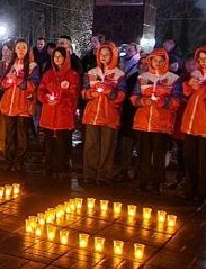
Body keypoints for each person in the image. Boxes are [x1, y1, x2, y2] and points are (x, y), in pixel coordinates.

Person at [130, 47, 183, 192]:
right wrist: (143, 102)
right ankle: (142, 181)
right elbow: (134, 97)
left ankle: (157, 182)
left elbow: (177, 101)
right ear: (150, 61)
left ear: (165, 61)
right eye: (155, 60)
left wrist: (163, 103)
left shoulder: (173, 79)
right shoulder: (142, 77)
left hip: (162, 123)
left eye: (161, 60)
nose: (157, 63)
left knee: (159, 155)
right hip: (143, 121)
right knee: (143, 154)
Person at [81, 41, 126, 185]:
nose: (103, 57)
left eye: (107, 54)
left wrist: (110, 92)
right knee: (91, 146)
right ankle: (89, 173)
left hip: (109, 115)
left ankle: (104, 175)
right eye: (101, 54)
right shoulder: (91, 73)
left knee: (107, 146)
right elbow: (83, 92)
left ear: (113, 56)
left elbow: (122, 95)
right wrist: (90, 93)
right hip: (92, 114)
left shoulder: (119, 74)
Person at [36, 47, 80, 177]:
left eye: (60, 56)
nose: (57, 59)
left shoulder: (73, 75)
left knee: (62, 143)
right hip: (49, 114)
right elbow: (40, 90)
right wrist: (46, 98)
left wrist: (60, 98)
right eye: (55, 56)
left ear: (65, 58)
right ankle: (49, 167)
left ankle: (61, 167)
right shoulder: (48, 74)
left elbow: (74, 94)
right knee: (49, 143)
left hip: (63, 115)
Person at [0, 39, 40, 171]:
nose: (21, 50)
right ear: (14, 50)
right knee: (9, 134)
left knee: (22, 135)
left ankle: (19, 161)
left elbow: (34, 84)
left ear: (27, 50)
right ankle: (8, 159)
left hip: (23, 105)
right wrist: (7, 83)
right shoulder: (10, 65)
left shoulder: (33, 66)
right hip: (10, 104)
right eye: (18, 48)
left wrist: (24, 84)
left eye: (23, 48)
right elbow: (2, 82)